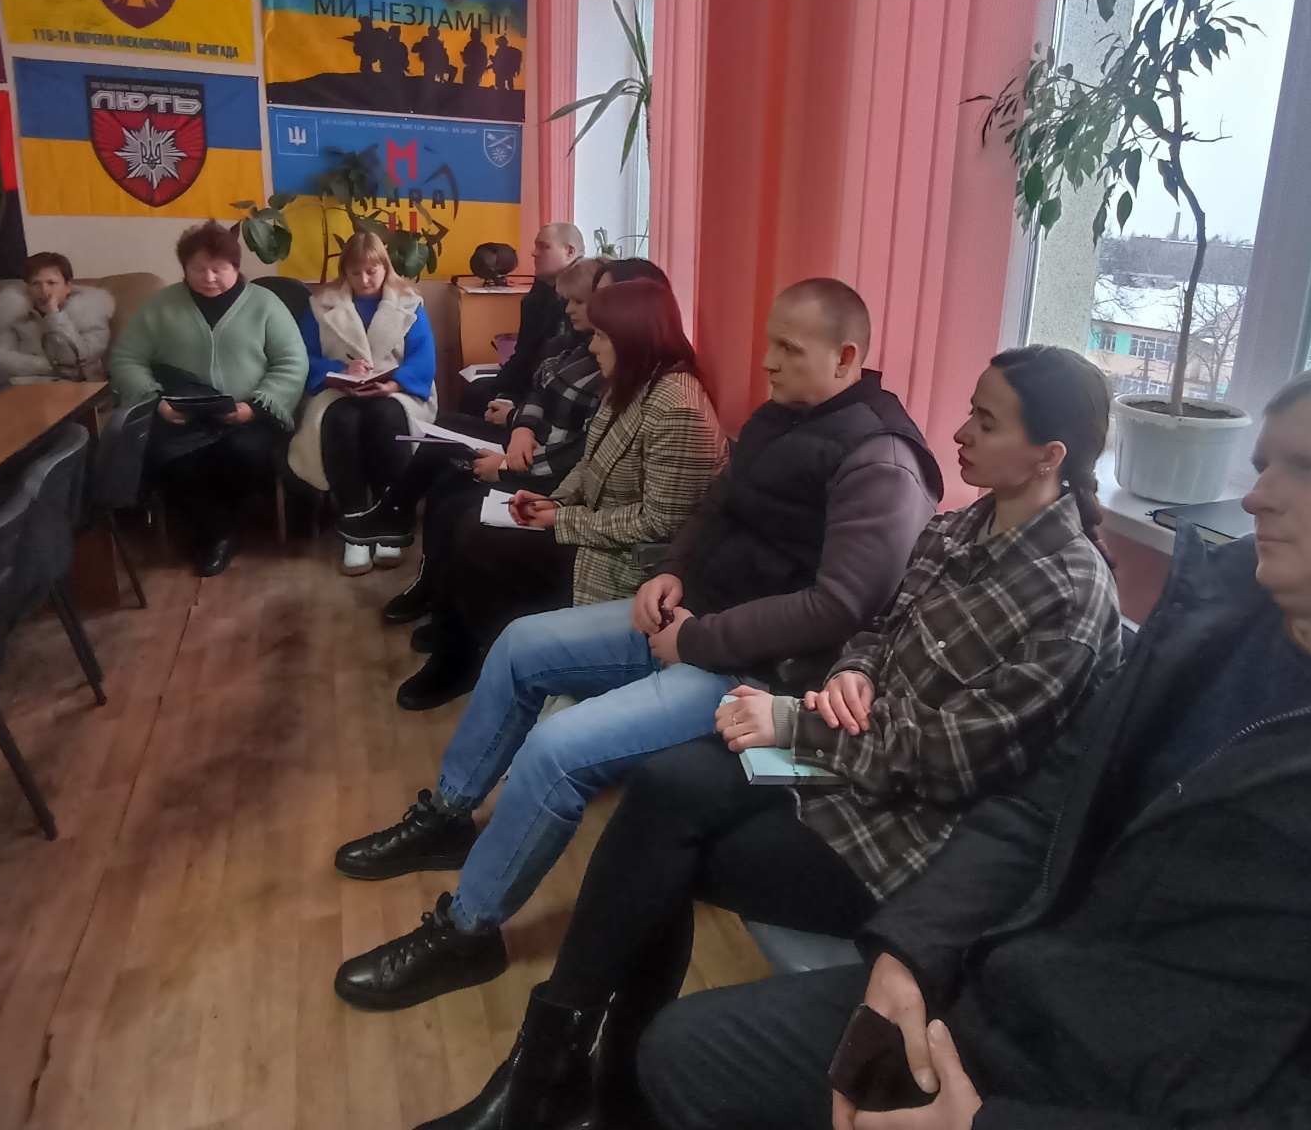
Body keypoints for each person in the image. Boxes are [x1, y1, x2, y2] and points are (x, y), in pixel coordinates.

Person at [642, 360, 1311, 1130]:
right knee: (687, 1055)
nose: (1256, 498)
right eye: (1262, 465)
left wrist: (993, 1124)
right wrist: (911, 954)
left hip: (1135, 1095)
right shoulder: (1213, 628)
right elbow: (1043, 803)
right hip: (1006, 991)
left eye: (1310, 468)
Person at [428, 347, 1122, 1130]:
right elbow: (877, 626)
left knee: (659, 854)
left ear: (1049, 455)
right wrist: (855, 674)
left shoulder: (1069, 592)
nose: (960, 432)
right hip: (849, 767)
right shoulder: (961, 526)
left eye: (986, 423)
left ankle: (571, 1086)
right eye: (969, 411)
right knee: (663, 788)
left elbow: (955, 760)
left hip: (915, 840)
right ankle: (566, 1075)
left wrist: (795, 720)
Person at [329, 278, 944, 1014]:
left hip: (755, 673)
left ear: (846, 357)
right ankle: (449, 815)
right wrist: (674, 570)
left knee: (558, 750)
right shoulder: (785, 417)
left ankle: (468, 930)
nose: (767, 361)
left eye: (788, 348)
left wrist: (700, 638)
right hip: (689, 620)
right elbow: (715, 506)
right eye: (769, 342)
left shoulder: (880, 461)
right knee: (521, 646)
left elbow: (840, 608)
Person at [388, 276, 723, 710]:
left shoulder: (679, 408)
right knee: (472, 523)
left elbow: (661, 524)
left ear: (633, 337)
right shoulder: (631, 383)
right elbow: (589, 462)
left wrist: (561, 519)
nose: (594, 347)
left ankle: (473, 659)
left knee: (480, 537)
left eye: (602, 336)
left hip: (631, 559)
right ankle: (469, 648)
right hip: (596, 524)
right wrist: (556, 500)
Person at [348, 258, 667, 633]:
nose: (590, 309)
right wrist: (522, 427)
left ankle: (443, 599)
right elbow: (540, 383)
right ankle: (425, 573)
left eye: (596, 299)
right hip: (537, 449)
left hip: (549, 468)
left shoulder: (626, 371)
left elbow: (582, 451)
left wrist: (507, 460)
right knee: (448, 440)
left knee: (457, 498)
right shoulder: (585, 345)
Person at [110, 221, 308, 577]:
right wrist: (157, 403)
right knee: (178, 463)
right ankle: (217, 530)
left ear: (235, 267)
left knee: (245, 453)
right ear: (184, 267)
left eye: (219, 269)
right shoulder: (160, 306)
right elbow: (127, 359)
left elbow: (292, 361)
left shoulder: (265, 304)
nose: (209, 277)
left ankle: (224, 530)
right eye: (198, 268)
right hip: (179, 416)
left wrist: (254, 407)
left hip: (250, 417)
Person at [286, 231, 439, 575]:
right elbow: (303, 354)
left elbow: (423, 355)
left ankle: (388, 517)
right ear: (345, 272)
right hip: (338, 390)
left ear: (385, 268)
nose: (365, 280)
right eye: (355, 273)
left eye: (372, 271)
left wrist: (394, 384)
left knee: (386, 418)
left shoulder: (410, 302)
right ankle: (353, 523)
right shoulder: (320, 304)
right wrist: (340, 371)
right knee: (340, 420)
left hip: (396, 390)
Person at [459, 222, 584, 421]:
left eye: (544, 247)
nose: (534, 253)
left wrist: (509, 401)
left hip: (547, 394)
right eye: (535, 246)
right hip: (530, 382)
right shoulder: (543, 288)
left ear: (570, 252)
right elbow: (525, 352)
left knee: (476, 399)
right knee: (476, 392)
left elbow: (548, 363)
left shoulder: (580, 299)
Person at [0, 251, 113, 383]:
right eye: (35, 283)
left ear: (68, 286)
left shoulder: (90, 312)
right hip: (26, 385)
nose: (44, 291)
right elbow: (0, 358)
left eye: (51, 283)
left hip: (76, 386)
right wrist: (54, 367)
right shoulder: (12, 312)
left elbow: (79, 359)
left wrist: (55, 315)